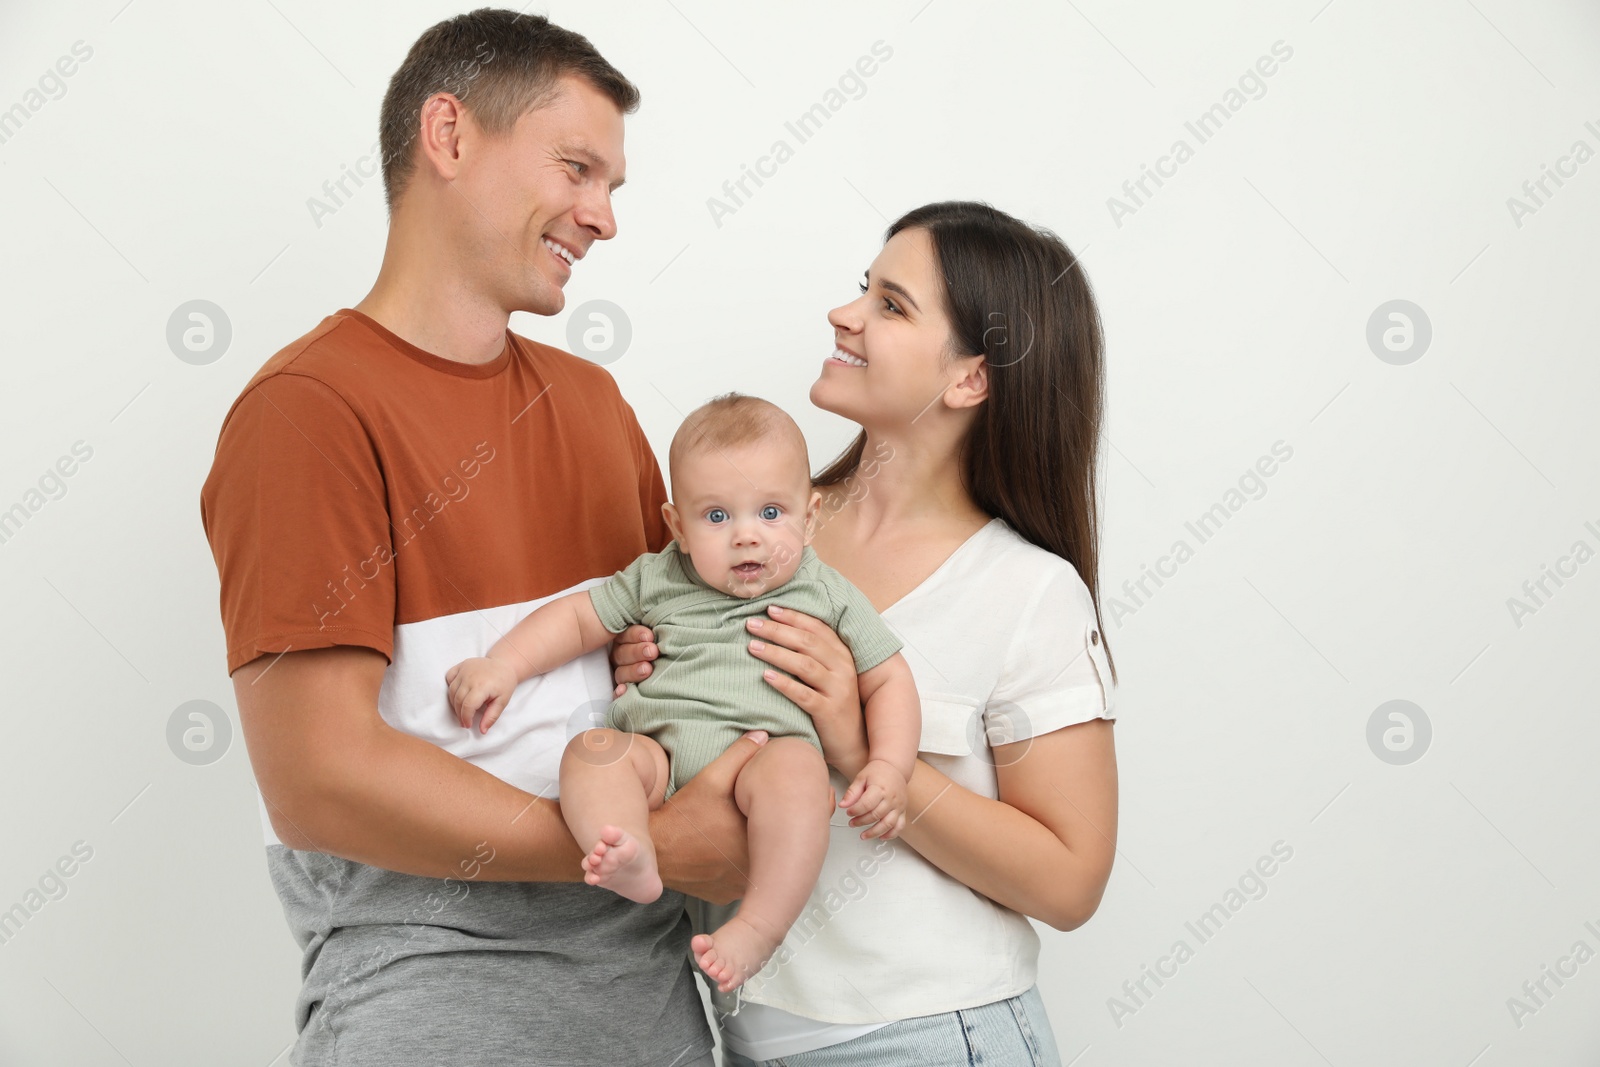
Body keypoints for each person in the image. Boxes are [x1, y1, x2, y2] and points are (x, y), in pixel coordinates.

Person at [197, 11, 843, 1065]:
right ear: (447, 137)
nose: (602, 217)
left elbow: (679, 645)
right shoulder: (308, 411)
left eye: (613, 188)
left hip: (657, 1003)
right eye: (578, 169)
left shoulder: (593, 405)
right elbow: (317, 776)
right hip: (437, 1005)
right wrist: (643, 842)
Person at [610, 200, 1120, 1065]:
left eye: (890, 304)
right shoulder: (750, 533)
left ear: (969, 378)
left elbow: (1070, 884)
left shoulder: (1028, 591)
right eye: (863, 289)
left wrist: (862, 746)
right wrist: (641, 664)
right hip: (735, 1031)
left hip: (927, 1039)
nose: (844, 316)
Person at [443, 393, 921, 993]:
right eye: (717, 517)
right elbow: (576, 620)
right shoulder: (657, 576)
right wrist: (503, 666)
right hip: (658, 759)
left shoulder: (826, 591)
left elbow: (889, 678)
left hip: (764, 755)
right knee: (592, 751)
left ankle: (759, 927)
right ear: (678, 526)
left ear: (810, 514)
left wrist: (890, 766)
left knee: (800, 775)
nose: (747, 537)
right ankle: (633, 849)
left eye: (771, 513)